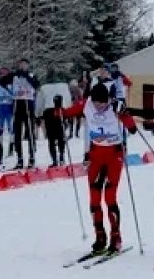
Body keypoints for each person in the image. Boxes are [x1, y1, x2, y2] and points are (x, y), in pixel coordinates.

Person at [58, 83, 137, 254]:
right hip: (96, 155)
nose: (99, 106)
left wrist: (123, 114)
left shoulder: (115, 106)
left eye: (102, 103)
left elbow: (132, 129)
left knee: (109, 197)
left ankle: (116, 237)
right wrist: (57, 111)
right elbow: (67, 113)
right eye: (96, 103)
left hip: (113, 156)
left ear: (108, 99)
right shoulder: (87, 104)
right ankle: (100, 236)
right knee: (94, 199)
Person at [0, 59, 39, 169]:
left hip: (28, 104)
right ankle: (19, 158)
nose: (22, 66)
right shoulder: (15, 76)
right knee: (17, 133)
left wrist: (26, 76)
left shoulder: (31, 74)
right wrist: (12, 75)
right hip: (17, 104)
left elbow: (36, 84)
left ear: (28, 66)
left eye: (24, 65)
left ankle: (32, 158)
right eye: (20, 65)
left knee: (30, 132)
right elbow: (1, 82)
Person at [41, 95, 67, 166]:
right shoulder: (61, 110)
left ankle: (57, 159)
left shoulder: (60, 110)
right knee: (57, 142)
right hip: (54, 130)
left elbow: (43, 121)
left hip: (53, 130)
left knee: (55, 142)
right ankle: (58, 158)